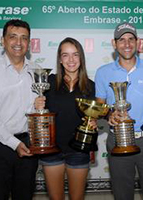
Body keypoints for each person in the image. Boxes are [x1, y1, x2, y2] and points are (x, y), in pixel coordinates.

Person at [95, 22, 143, 200]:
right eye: (121, 40)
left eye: (131, 39)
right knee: (122, 195)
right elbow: (100, 108)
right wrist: (109, 114)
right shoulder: (103, 72)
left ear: (138, 42)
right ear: (114, 44)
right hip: (117, 140)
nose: (127, 44)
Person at [0, 19, 39, 200]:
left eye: (24, 38)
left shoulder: (38, 71)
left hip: (28, 145)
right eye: (13, 37)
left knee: (25, 195)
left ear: (29, 42)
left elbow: (37, 112)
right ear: (3, 41)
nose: (18, 43)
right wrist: (15, 144)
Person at [35, 37, 95, 200]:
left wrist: (93, 121)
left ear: (81, 58)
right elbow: (36, 114)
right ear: (60, 59)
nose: (71, 60)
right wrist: (36, 104)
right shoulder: (48, 82)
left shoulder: (90, 86)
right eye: (65, 55)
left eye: (75, 55)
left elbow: (93, 118)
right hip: (52, 149)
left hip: (78, 150)